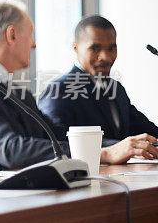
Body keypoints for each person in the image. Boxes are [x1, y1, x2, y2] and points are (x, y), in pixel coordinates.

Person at [0, 0, 152, 173]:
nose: (34, 44)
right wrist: (102, 153)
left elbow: (56, 134)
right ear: (12, 35)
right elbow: (11, 150)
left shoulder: (18, 93)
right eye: (30, 34)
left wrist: (122, 147)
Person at [38, 15, 158, 157]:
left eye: (112, 48)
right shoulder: (58, 90)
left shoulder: (116, 88)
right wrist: (116, 148)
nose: (106, 57)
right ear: (76, 48)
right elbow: (56, 142)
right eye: (95, 48)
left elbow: (145, 131)